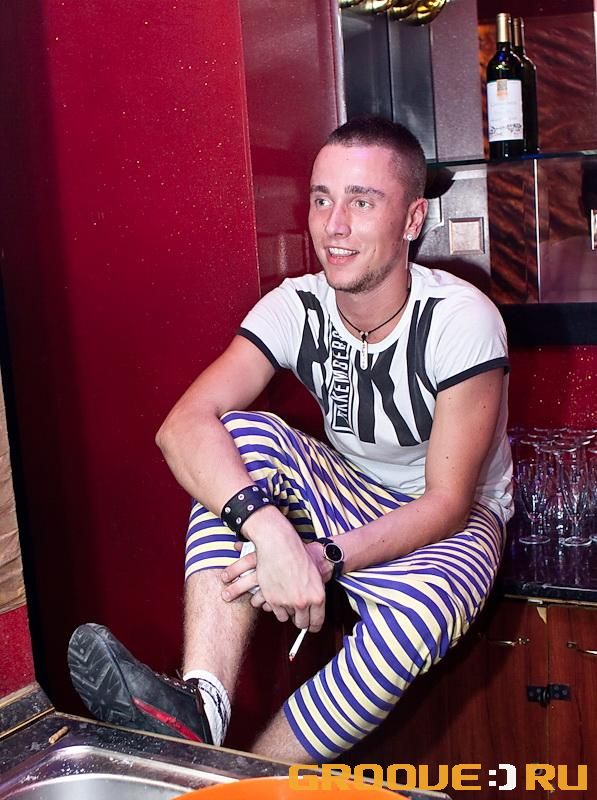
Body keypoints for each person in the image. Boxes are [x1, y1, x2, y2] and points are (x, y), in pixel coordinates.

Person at [68, 116, 513, 764]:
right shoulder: (296, 305)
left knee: (417, 618)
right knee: (235, 435)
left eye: (362, 202)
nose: (334, 226)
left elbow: (446, 503)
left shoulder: (460, 320)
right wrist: (271, 532)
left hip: (458, 515)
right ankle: (202, 708)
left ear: (413, 219)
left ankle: (248, 783)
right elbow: (182, 426)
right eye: (321, 199)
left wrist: (321, 559)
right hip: (350, 489)